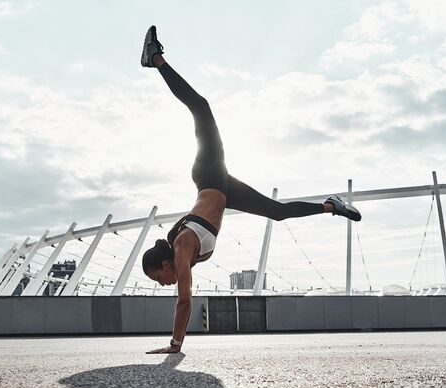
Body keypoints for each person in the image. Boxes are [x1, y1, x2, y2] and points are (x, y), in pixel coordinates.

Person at [140, 26, 361, 354]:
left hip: (210, 176)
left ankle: (154, 59)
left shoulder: (183, 247)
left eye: (159, 279)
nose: (164, 284)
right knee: (279, 212)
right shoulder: (183, 252)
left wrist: (175, 345)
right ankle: (331, 205)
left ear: (165, 264)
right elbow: (184, 293)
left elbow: (185, 301)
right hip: (225, 189)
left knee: (201, 108)